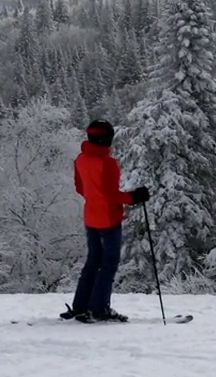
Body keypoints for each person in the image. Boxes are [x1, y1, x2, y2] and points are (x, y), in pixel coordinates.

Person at [60, 119, 150, 323]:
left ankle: (80, 306)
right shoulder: (108, 163)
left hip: (90, 216)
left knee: (93, 261)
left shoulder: (80, 159)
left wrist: (95, 198)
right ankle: (99, 308)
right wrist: (134, 197)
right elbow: (112, 195)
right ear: (106, 139)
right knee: (109, 264)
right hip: (109, 218)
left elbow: (80, 188)